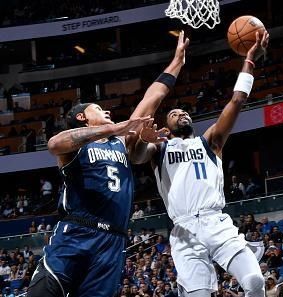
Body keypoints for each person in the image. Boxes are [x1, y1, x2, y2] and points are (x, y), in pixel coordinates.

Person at [26, 32, 190, 297]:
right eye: (98, 109)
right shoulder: (75, 145)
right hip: (76, 233)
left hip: (113, 240)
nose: (108, 111)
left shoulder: (121, 142)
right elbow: (54, 144)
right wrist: (114, 128)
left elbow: (153, 96)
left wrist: (177, 61)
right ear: (82, 117)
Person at [131, 31, 269, 297]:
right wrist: (139, 139)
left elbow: (237, 100)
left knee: (254, 282)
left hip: (215, 222)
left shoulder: (211, 142)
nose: (181, 113)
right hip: (183, 231)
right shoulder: (160, 148)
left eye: (184, 111)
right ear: (167, 126)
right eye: (174, 113)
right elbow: (135, 157)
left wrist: (249, 60)